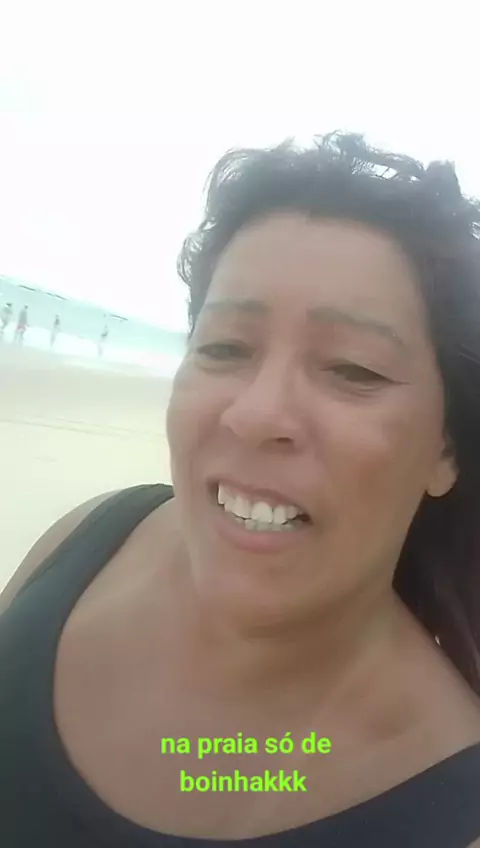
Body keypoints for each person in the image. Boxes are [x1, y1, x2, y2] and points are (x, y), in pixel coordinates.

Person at [2, 133, 480, 847]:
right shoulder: (90, 535)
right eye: (224, 346)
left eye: (353, 369)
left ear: (446, 449)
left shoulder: (452, 814)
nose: (256, 415)